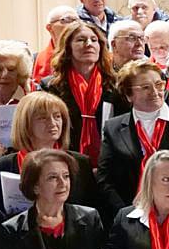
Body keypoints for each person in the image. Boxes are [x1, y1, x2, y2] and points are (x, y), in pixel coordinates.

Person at [95, 60, 169, 210]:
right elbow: (105, 179)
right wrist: (126, 213)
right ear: (128, 94)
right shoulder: (113, 128)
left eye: (159, 85)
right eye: (145, 87)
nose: (155, 92)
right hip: (130, 212)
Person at [0, 92, 103, 216]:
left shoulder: (81, 163)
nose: (53, 123)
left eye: (57, 116)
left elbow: (92, 211)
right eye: (43, 118)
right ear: (25, 123)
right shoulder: (1, 167)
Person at [44, 21, 127, 164]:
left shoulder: (116, 84)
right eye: (81, 40)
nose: (89, 44)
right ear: (68, 47)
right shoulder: (51, 86)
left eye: (94, 40)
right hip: (66, 160)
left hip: (109, 162)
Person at [32, 5, 83, 82]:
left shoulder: (88, 55)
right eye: (66, 20)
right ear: (49, 28)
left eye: (76, 20)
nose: (74, 24)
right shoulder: (34, 60)